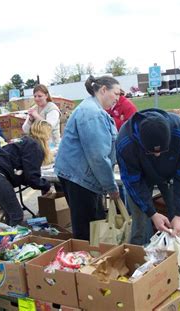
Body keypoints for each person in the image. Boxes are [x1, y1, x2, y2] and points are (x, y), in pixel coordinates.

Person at [116, 108, 180, 245]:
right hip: (141, 177)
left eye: (162, 150)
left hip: (171, 174)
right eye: (151, 152)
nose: (157, 155)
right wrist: (152, 213)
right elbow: (132, 182)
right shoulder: (126, 143)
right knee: (140, 222)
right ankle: (138, 257)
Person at [54, 75, 120, 241]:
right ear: (103, 90)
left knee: (89, 225)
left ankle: (90, 260)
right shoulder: (93, 113)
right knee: (89, 229)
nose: (118, 99)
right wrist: (110, 186)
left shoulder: (92, 109)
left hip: (79, 175)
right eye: (116, 93)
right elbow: (98, 156)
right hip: (81, 178)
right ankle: (87, 261)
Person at [0, 120, 53, 226]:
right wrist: (47, 186)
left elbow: (25, 172)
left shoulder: (24, 141)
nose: (50, 138)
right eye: (49, 134)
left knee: (9, 214)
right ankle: (11, 241)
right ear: (45, 134)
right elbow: (32, 178)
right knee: (17, 215)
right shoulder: (34, 146)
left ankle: (5, 239)